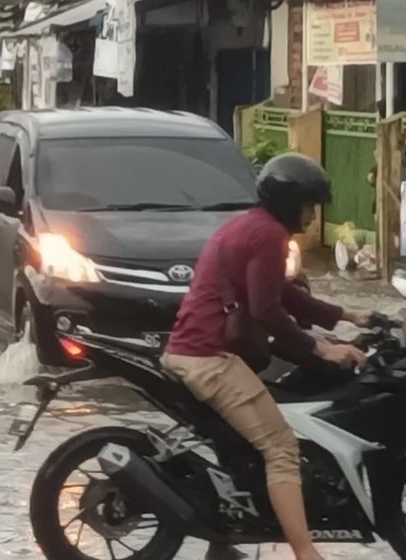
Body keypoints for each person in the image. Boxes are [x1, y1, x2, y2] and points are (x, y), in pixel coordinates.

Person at [162, 153, 370, 560]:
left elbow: (282, 293)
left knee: (242, 451)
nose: (312, 217)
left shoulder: (250, 226)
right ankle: (306, 552)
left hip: (195, 350)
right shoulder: (269, 235)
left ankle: (223, 544)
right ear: (289, 203)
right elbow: (266, 310)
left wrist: (347, 314)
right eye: (308, 206)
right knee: (280, 448)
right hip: (209, 357)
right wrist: (320, 347)